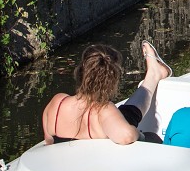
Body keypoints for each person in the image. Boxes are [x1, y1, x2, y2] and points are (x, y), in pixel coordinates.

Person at [42, 40, 172, 146]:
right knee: (145, 133)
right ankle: (153, 75)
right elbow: (127, 136)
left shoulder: (57, 102)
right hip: (97, 170)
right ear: (112, 82)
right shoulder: (104, 110)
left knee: (124, 116)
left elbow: (48, 142)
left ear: (80, 71)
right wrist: (142, 135)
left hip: (68, 170)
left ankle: (154, 74)